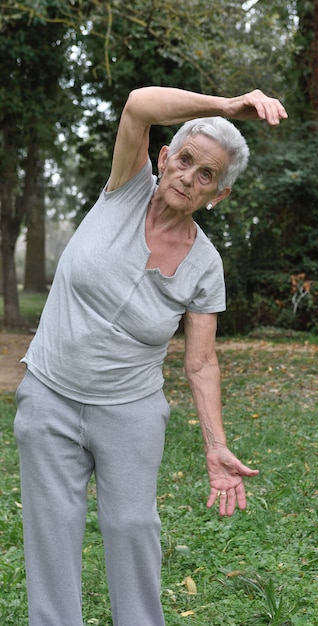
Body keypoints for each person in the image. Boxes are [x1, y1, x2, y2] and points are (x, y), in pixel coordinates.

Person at [14, 86, 288, 626]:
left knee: (133, 530)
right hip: (49, 398)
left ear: (218, 196)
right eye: (185, 160)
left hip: (130, 412)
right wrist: (227, 106)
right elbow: (139, 104)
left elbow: (201, 362)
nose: (189, 177)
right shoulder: (124, 189)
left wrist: (217, 447)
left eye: (206, 175)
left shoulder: (206, 266)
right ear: (164, 158)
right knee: (51, 532)